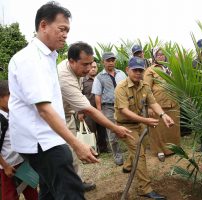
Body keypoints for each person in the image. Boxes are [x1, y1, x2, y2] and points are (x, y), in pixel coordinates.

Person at [8, 2, 96, 199]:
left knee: (49, 192)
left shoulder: (47, 57)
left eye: (67, 30)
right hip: (42, 141)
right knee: (71, 192)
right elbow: (44, 110)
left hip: (45, 139)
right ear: (43, 25)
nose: (65, 35)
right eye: (61, 29)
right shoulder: (31, 59)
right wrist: (76, 144)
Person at [57, 42, 133, 173]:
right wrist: (115, 128)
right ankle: (72, 187)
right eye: (85, 64)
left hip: (67, 114)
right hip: (56, 119)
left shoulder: (76, 70)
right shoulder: (64, 77)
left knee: (72, 156)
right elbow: (88, 108)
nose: (89, 68)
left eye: (91, 63)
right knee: (66, 156)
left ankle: (78, 182)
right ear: (72, 61)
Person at [115, 57, 174, 199]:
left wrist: (163, 115)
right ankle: (144, 188)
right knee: (139, 154)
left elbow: (153, 103)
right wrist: (145, 120)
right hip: (125, 126)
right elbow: (124, 111)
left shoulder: (144, 86)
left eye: (141, 70)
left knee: (140, 146)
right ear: (127, 70)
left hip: (139, 123)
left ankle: (128, 166)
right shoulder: (121, 88)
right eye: (135, 70)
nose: (138, 73)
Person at [0, 80, 38, 200]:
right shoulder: (1, 120)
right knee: (10, 195)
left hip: (23, 163)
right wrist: (5, 166)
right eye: (9, 96)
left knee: (32, 193)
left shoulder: (15, 113)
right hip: (7, 166)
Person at [144, 47, 180, 161]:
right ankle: (160, 150)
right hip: (158, 105)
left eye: (163, 54)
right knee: (158, 129)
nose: (161, 56)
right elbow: (146, 89)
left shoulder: (170, 68)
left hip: (173, 103)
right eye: (158, 54)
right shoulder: (150, 70)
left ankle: (173, 148)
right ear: (154, 56)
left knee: (172, 128)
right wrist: (149, 106)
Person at [91, 52, 126, 166]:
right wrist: (99, 110)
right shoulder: (99, 77)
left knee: (129, 126)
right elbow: (97, 95)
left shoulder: (121, 73)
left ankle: (132, 151)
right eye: (108, 60)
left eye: (112, 60)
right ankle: (117, 155)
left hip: (123, 105)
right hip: (108, 106)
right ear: (103, 62)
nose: (111, 62)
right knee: (112, 132)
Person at [82, 61, 110, 154]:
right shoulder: (83, 80)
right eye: (91, 67)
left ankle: (103, 148)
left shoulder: (100, 79)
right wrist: (80, 112)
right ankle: (92, 151)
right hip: (88, 110)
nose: (93, 68)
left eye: (95, 67)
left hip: (100, 109)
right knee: (91, 131)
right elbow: (79, 96)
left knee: (102, 129)